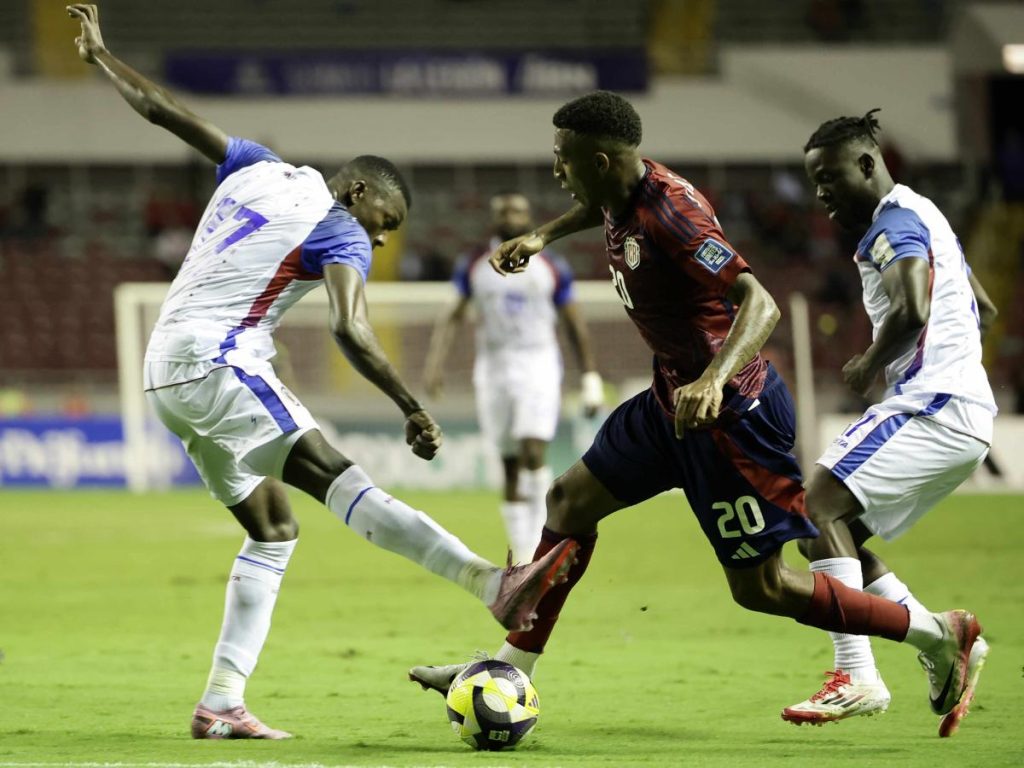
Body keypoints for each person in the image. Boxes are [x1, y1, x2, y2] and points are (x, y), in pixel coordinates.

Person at [67, 4, 577, 740]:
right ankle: (489, 583)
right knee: (343, 481)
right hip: (218, 361)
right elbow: (350, 326)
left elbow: (163, 111)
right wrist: (411, 405)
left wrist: (101, 57)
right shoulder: (339, 227)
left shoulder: (259, 165)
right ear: (360, 191)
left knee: (273, 529)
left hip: (165, 369)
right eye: (386, 221)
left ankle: (220, 703)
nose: (380, 237)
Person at [408, 91, 981, 727]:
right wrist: (543, 234)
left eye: (562, 159)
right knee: (568, 501)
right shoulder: (618, 189)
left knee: (760, 588)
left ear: (599, 161)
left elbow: (758, 303)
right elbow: (597, 207)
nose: (555, 171)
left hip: (730, 414)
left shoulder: (674, 214)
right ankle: (509, 668)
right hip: (670, 400)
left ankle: (935, 635)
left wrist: (713, 379)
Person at [782, 109, 995, 736]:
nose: (820, 193)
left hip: (934, 403)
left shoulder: (893, 223)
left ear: (869, 164)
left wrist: (870, 362)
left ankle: (858, 675)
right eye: (814, 181)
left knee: (812, 505)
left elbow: (912, 305)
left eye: (829, 176)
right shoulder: (928, 215)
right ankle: (942, 639)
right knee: (832, 530)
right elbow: (981, 305)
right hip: (959, 405)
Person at [424, 191, 604, 562]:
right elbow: (452, 315)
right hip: (493, 369)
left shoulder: (550, 265)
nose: (511, 214)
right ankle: (523, 555)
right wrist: (435, 364)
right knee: (508, 464)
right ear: (493, 217)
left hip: (538, 364)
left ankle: (543, 547)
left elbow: (574, 322)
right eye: (503, 209)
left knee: (532, 451)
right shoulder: (475, 264)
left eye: (518, 209)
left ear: (528, 215)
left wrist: (589, 375)